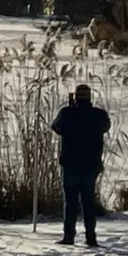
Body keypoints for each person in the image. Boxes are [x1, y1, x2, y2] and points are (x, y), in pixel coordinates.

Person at [51, 83, 111, 247]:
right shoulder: (99, 115)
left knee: (70, 201)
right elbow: (106, 126)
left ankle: (69, 236)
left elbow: (56, 127)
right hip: (91, 165)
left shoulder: (67, 113)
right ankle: (91, 237)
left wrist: (71, 110)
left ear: (76, 97)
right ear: (90, 97)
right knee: (88, 201)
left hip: (71, 164)